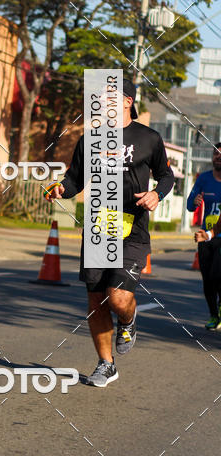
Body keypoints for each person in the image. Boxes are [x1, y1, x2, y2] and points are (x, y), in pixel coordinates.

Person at [46, 78, 175, 387]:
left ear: (128, 101)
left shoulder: (149, 139)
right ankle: (106, 364)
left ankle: (128, 320)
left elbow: (166, 176)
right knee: (95, 300)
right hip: (98, 229)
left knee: (117, 298)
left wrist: (157, 194)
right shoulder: (90, 140)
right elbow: (75, 179)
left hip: (132, 229)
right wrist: (61, 188)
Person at [188, 143, 221, 329]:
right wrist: (194, 201)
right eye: (216, 154)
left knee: (218, 275)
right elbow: (189, 206)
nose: (218, 157)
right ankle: (213, 315)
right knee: (208, 280)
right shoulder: (203, 179)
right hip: (205, 236)